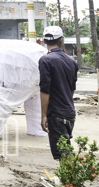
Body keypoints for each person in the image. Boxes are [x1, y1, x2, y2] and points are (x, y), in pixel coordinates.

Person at [39, 26, 78, 160]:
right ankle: (69, 179)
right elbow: (72, 89)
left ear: (44, 41)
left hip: (56, 114)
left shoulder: (46, 60)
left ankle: (70, 180)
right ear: (61, 41)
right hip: (69, 112)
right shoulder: (72, 61)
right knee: (66, 149)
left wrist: (44, 115)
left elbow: (45, 90)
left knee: (63, 155)